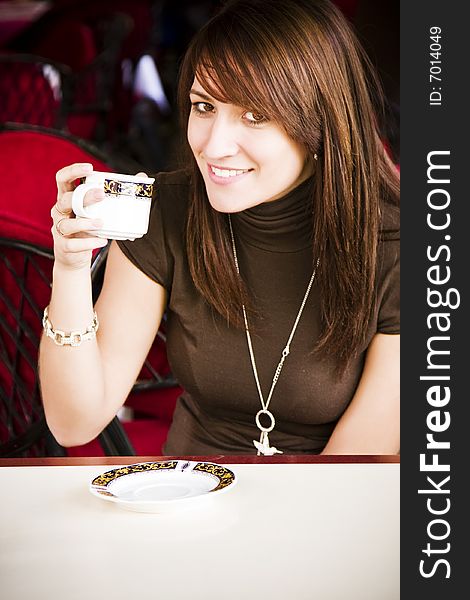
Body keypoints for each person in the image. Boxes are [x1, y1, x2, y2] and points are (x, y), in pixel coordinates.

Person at [39, 0, 400, 455]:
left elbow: (356, 466)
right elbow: (74, 423)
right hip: (187, 492)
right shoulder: (165, 211)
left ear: (320, 123)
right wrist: (70, 269)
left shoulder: (395, 243)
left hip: (325, 502)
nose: (213, 145)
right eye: (204, 106)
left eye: (255, 115)